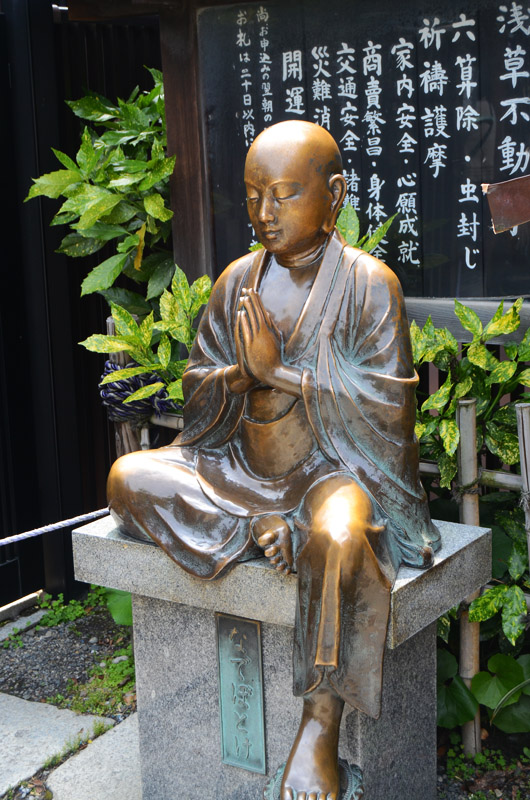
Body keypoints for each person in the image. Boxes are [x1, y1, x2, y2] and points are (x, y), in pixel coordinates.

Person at [108, 120, 440, 800]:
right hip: (237, 472)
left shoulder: (368, 285)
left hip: (330, 476)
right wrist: (239, 375)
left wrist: (278, 373)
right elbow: (198, 394)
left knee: (340, 535)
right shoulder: (238, 281)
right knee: (128, 478)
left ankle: (319, 724)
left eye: (283, 194)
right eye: (253, 195)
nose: (264, 213)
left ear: (334, 195)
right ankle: (264, 530)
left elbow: (386, 413)